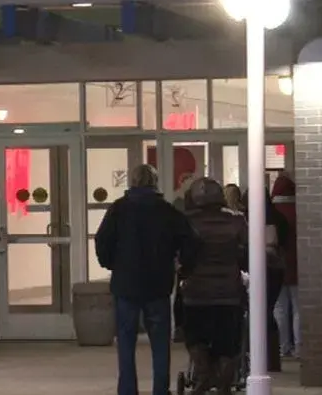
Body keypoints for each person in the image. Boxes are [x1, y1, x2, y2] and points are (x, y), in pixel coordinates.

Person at [95, 164, 197, 395]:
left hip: (126, 284)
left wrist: (113, 264)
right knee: (160, 344)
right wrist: (182, 267)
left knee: (126, 342)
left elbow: (103, 241)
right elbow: (189, 241)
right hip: (158, 284)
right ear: (155, 182)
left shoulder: (118, 210)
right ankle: (160, 389)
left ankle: (127, 389)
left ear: (131, 182)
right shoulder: (167, 211)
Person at [179, 178, 248, 395]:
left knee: (195, 337)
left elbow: (181, 255)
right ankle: (225, 385)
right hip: (229, 292)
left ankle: (203, 375)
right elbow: (247, 254)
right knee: (228, 343)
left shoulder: (186, 221)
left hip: (195, 293)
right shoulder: (237, 221)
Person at [271, 173, 300, 358]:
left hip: (277, 264)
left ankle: (283, 346)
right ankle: (300, 347)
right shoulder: (299, 210)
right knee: (298, 308)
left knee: (280, 308)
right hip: (297, 264)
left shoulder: (270, 212)